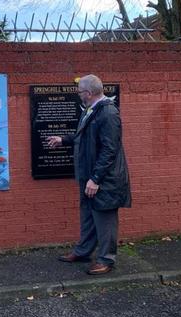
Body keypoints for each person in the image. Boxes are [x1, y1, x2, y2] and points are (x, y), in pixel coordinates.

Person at [46, 74, 131, 275]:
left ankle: (106, 260)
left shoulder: (108, 113)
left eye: (79, 92)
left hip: (104, 180)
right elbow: (84, 137)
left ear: (89, 93)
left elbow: (110, 150)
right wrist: (63, 140)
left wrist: (95, 179)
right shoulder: (92, 110)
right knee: (88, 216)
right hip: (89, 176)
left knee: (104, 219)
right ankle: (83, 251)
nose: (78, 95)